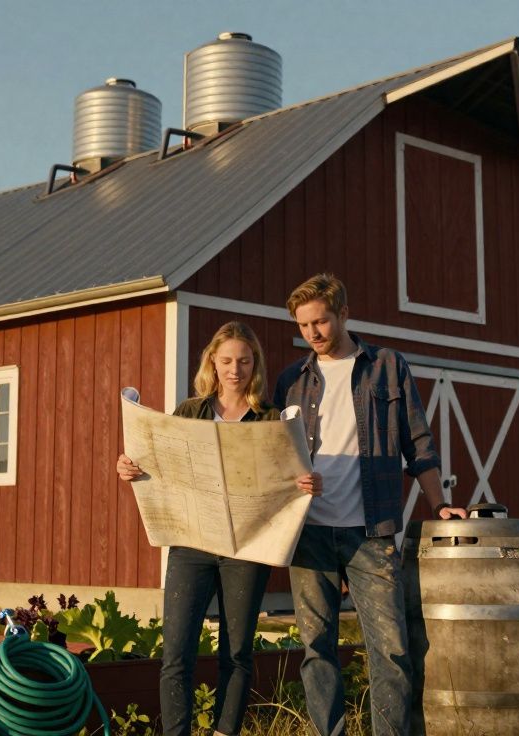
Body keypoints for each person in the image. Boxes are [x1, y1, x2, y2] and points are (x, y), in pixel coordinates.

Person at [274, 273, 466, 736]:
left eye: (321, 321)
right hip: (310, 532)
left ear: (343, 313)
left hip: (371, 530)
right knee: (318, 650)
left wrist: (440, 504)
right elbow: (270, 456)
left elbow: (417, 443)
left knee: (392, 651)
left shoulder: (387, 366)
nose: (313, 333)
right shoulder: (290, 381)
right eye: (304, 326)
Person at [116, 321, 278, 736]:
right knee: (177, 653)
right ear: (213, 362)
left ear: (254, 363)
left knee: (237, 652)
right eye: (226, 360)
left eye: (243, 360)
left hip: (247, 545)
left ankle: (225, 732)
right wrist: (131, 467)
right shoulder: (191, 412)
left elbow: (282, 475)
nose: (235, 370)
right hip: (191, 543)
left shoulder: (269, 417)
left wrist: (304, 482)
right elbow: (161, 464)